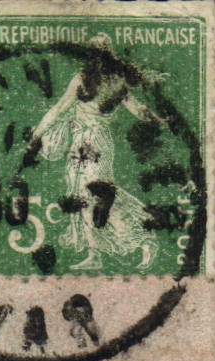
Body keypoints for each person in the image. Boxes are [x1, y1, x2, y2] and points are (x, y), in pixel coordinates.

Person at [28, 35, 164, 271]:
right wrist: (37, 135)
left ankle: (144, 237)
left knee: (98, 195)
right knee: (82, 195)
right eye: (95, 56)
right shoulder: (87, 80)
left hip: (96, 144)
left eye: (101, 56)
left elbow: (138, 110)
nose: (98, 60)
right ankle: (95, 253)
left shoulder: (112, 83)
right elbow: (59, 109)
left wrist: (158, 121)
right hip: (80, 143)